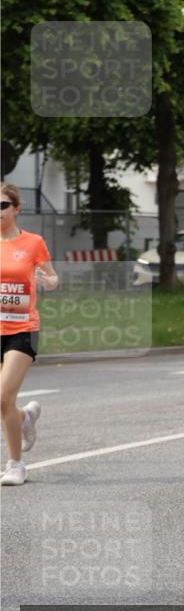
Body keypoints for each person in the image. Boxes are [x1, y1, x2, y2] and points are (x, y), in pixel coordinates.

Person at [1, 183, 58, 487]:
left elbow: (52, 277)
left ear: (16, 209)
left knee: (3, 395)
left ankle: (15, 465)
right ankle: (24, 418)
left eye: (3, 206)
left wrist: (48, 281)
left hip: (23, 329)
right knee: (5, 402)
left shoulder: (33, 242)